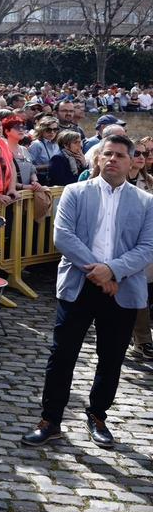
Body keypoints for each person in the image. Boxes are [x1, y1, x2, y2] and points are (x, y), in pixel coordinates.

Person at [23, 136, 153, 449]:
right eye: (107, 153)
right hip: (79, 287)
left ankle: (98, 416)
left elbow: (147, 247)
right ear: (97, 159)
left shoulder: (145, 202)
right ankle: (50, 420)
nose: (113, 159)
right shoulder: (75, 192)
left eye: (120, 155)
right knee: (62, 355)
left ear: (132, 160)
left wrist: (113, 271)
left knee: (111, 358)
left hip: (120, 289)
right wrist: (99, 272)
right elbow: (63, 236)